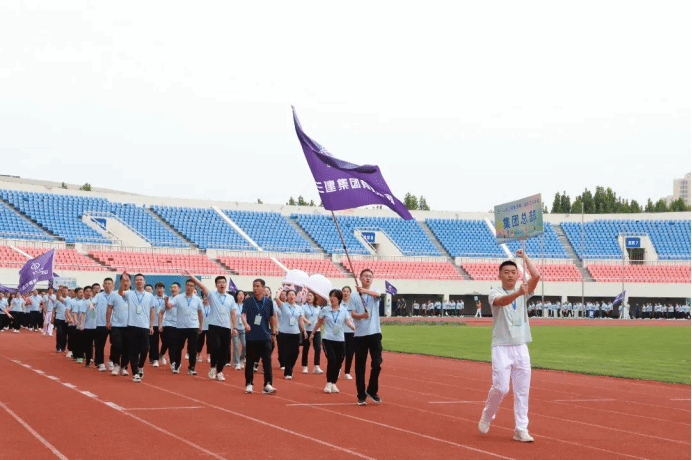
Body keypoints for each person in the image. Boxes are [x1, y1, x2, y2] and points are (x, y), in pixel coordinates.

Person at [478, 249, 540, 443]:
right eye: (506, 272)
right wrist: (519, 293)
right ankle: (488, 414)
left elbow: (537, 276)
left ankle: (521, 429)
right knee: (501, 387)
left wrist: (525, 258)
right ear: (500, 275)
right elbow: (502, 302)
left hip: (521, 345)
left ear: (518, 274)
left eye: (514, 272)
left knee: (522, 390)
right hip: (501, 346)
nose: (510, 275)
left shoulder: (523, 289)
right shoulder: (494, 292)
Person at [184, 273, 236, 381]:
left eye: (223, 282)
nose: (222, 284)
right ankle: (212, 367)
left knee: (224, 351)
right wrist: (191, 276)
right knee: (215, 348)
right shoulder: (212, 294)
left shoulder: (230, 298)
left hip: (226, 328)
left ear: (225, 284)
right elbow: (201, 285)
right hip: (214, 327)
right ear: (216, 285)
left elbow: (233, 313)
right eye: (219, 282)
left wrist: (234, 327)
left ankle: (220, 371)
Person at [348, 269, 383, 406]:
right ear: (360, 278)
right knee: (360, 366)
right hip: (360, 335)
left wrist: (364, 291)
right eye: (365, 276)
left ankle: (372, 390)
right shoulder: (354, 296)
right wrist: (362, 316)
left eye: (370, 276)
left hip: (375, 333)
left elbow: (377, 294)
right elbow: (353, 314)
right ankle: (361, 395)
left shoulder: (374, 291)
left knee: (377, 363)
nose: (368, 278)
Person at [311, 288, 356, 394]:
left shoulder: (344, 310)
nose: (332, 299)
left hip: (340, 339)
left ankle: (333, 383)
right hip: (328, 339)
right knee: (332, 360)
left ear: (339, 299)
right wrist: (313, 333)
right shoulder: (325, 310)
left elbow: (348, 322)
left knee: (339, 361)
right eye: (331, 296)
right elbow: (319, 323)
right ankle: (328, 382)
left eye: (335, 297)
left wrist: (354, 328)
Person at [117, 272, 156, 382]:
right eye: (137, 280)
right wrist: (123, 282)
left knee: (145, 349)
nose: (139, 281)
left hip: (144, 327)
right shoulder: (129, 294)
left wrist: (151, 326)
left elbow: (152, 311)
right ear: (134, 282)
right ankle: (135, 373)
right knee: (133, 351)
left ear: (144, 282)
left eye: (141, 280)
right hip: (132, 326)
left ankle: (140, 366)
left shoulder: (149, 296)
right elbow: (120, 292)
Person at [241, 279, 278, 395]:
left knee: (267, 361)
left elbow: (272, 317)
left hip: (265, 336)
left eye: (257, 286)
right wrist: (246, 324)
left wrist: (273, 332)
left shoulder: (268, 302)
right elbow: (243, 315)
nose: (255, 288)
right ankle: (249, 384)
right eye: (254, 286)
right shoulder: (248, 302)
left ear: (263, 288)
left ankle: (267, 384)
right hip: (252, 336)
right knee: (250, 362)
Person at [165, 278, 204, 376]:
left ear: (194, 287)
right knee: (178, 348)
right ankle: (177, 365)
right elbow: (169, 306)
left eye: (192, 286)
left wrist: (200, 325)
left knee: (193, 349)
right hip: (180, 327)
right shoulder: (178, 298)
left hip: (193, 326)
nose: (190, 287)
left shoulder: (197, 299)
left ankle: (191, 367)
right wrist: (166, 302)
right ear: (185, 286)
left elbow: (200, 312)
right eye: (188, 285)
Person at [275, 289, 307, 379]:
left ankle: (290, 367)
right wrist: (280, 290)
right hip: (284, 333)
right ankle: (288, 371)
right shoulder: (283, 306)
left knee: (295, 352)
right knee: (285, 352)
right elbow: (276, 298)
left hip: (295, 333)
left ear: (295, 297)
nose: (291, 296)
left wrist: (304, 330)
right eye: (289, 295)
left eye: (293, 295)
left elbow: (300, 321)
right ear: (286, 296)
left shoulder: (299, 308)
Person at [158, 282, 180, 368]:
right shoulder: (167, 298)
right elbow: (161, 312)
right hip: (167, 324)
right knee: (168, 343)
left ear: (179, 289)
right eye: (172, 287)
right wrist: (160, 324)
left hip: (178, 325)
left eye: (175, 287)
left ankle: (162, 355)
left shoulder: (182, 299)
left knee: (174, 344)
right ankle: (173, 362)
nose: (173, 289)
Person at [301, 291, 323, 374]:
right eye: (308, 295)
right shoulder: (304, 307)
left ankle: (316, 366)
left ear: (314, 297)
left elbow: (320, 318)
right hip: (307, 330)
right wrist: (307, 321)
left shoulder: (318, 307)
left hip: (316, 330)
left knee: (317, 348)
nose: (309, 297)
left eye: (310, 295)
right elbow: (302, 317)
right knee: (306, 348)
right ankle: (305, 366)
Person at [341, 286, 355, 380]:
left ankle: (347, 372)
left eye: (348, 291)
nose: (346, 293)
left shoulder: (353, 304)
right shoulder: (339, 304)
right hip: (341, 331)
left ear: (350, 293)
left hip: (352, 331)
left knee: (350, 352)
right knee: (341, 352)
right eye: (344, 291)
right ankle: (337, 368)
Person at [231, 290, 246, 370]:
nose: (241, 296)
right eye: (239, 294)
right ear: (236, 296)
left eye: (242, 294)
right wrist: (232, 327)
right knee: (236, 346)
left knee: (245, 345)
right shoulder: (234, 305)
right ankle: (236, 363)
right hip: (235, 328)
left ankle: (242, 359)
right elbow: (231, 316)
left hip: (243, 329)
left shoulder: (246, 305)